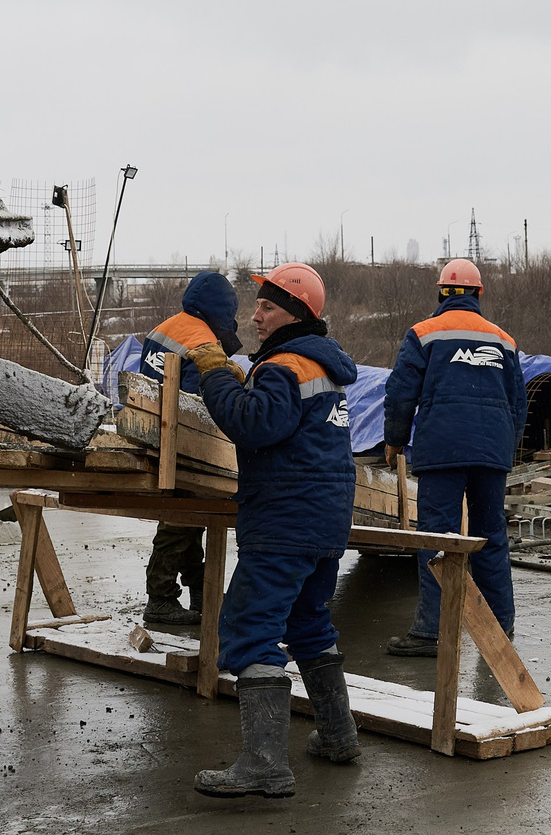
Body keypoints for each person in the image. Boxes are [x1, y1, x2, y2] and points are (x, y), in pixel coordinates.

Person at [183, 262, 361, 798]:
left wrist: (215, 372)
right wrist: (246, 382)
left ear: (296, 314)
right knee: (307, 622)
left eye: (267, 306)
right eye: (256, 304)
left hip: (285, 518)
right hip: (325, 517)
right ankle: (337, 735)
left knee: (250, 629)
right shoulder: (319, 367)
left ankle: (264, 765)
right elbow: (282, 420)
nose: (255, 315)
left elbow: (255, 425)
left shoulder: (285, 366)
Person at [379, 258, 528, 658]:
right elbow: (518, 403)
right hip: (491, 453)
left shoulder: (423, 334)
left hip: (442, 449)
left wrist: (393, 441)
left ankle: (433, 632)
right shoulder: (504, 340)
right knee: (491, 536)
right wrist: (504, 449)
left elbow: (400, 393)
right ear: (479, 294)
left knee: (439, 539)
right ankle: (500, 626)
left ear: (441, 293)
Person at [132, 271, 242, 628]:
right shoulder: (203, 338)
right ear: (222, 310)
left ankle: (200, 594)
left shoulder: (165, 327)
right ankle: (161, 597)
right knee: (180, 522)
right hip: (184, 443)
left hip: (154, 432)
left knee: (191, 519)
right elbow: (203, 401)